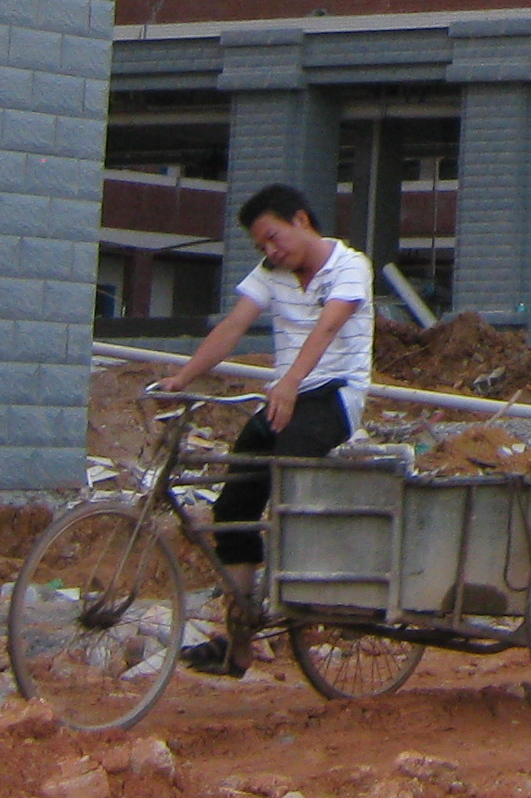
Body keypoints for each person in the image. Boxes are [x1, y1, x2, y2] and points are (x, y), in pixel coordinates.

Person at [159, 183, 373, 669]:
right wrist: (183, 377)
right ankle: (238, 643)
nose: (271, 251)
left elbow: (328, 327)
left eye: (274, 238)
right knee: (232, 507)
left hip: (333, 396)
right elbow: (233, 326)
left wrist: (291, 382)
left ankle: (307, 591)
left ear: (301, 220)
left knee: (289, 484)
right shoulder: (270, 273)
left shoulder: (349, 265)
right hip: (284, 397)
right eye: (262, 246)